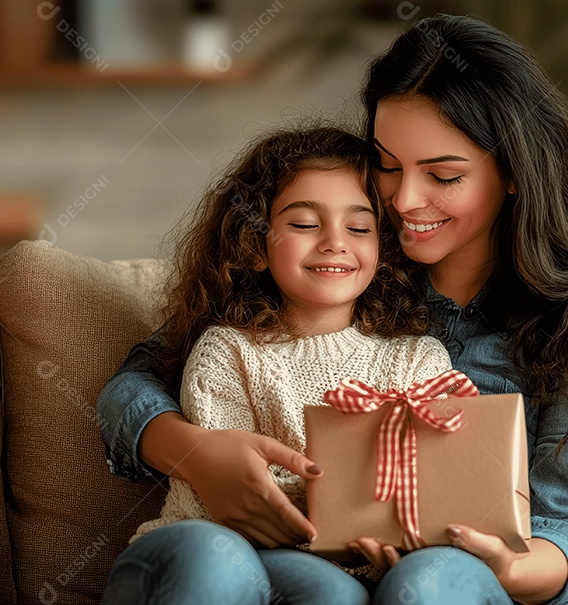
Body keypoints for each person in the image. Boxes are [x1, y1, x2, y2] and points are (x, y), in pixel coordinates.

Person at [98, 14, 568, 605]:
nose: (402, 200)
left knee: (427, 585)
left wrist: (503, 564)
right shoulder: (342, 264)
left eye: (444, 175)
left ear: (513, 172)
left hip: (450, 573)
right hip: (258, 561)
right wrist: (197, 455)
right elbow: (137, 381)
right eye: (387, 164)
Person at [103, 125, 468, 605]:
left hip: (351, 567)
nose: (336, 242)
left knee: (336, 592)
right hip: (225, 544)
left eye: (359, 228)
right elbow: (242, 502)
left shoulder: (418, 358)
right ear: (255, 246)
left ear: (381, 254)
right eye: (303, 224)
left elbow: (447, 479)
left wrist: (406, 527)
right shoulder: (228, 353)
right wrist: (355, 513)